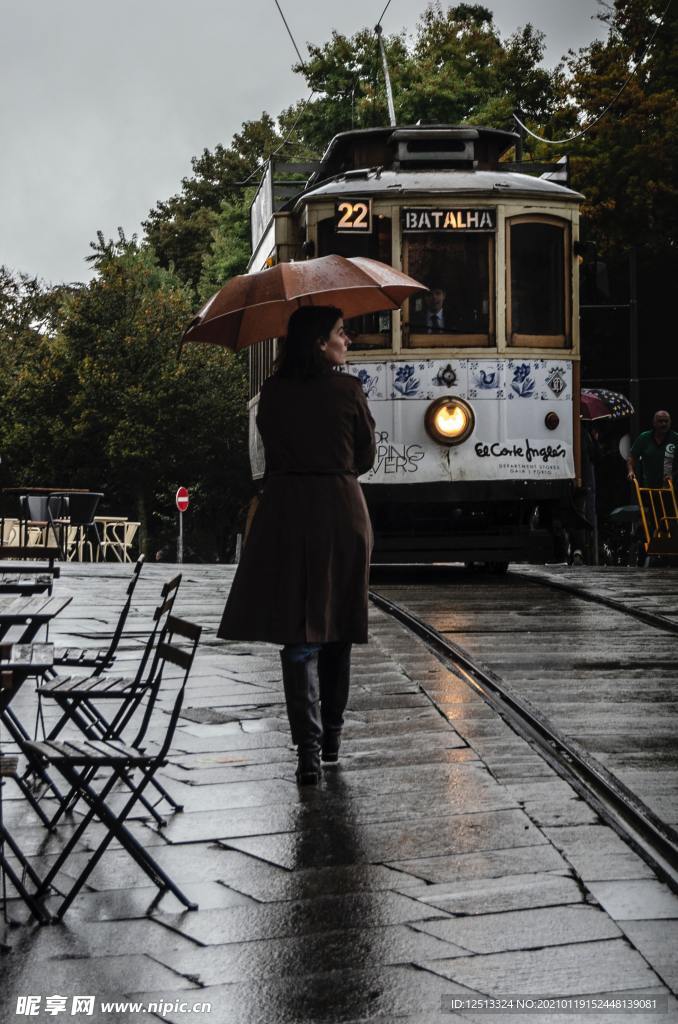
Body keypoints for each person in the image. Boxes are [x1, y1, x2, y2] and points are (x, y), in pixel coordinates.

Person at [217, 306, 376, 785]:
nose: (346, 339)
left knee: (299, 636)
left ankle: (306, 754)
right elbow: (365, 456)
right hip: (339, 511)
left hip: (286, 514)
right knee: (338, 628)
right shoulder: (348, 390)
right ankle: (331, 735)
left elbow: (269, 446)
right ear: (319, 344)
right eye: (339, 333)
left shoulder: (273, 393)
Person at [627, 410, 678, 487]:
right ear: (654, 423)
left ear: (670, 422)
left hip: (671, 487)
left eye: (666, 421)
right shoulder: (644, 437)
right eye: (660, 421)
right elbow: (632, 457)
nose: (664, 424)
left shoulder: (675, 438)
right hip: (648, 487)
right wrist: (631, 471)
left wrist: (673, 475)